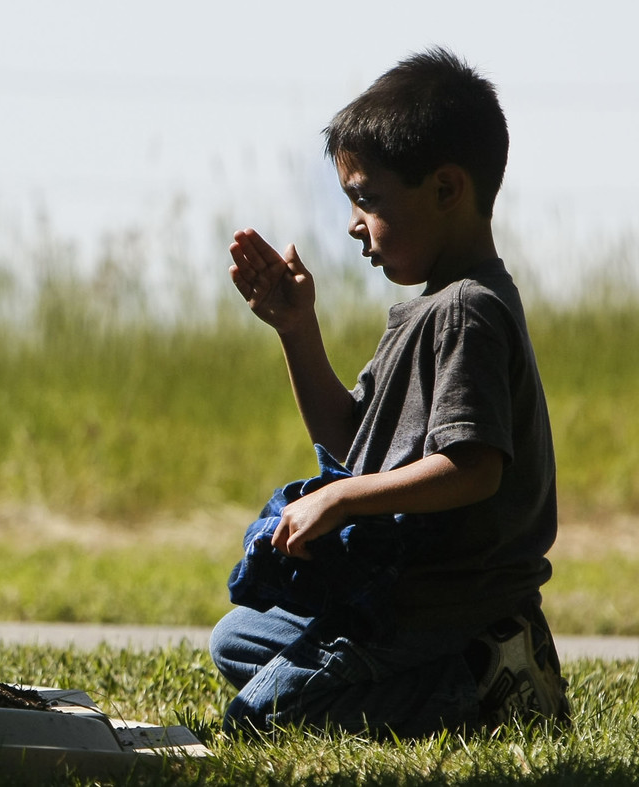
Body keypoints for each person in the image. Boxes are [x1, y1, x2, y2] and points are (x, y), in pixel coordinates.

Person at [210, 47, 569, 738]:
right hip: (398, 597)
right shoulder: (428, 307)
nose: (352, 224)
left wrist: (340, 497)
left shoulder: (468, 310)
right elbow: (358, 442)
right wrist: (295, 328)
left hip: (442, 603)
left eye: (367, 199)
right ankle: (467, 671)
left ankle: (487, 691)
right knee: (237, 640)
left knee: (258, 715)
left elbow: (473, 467)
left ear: (445, 189)